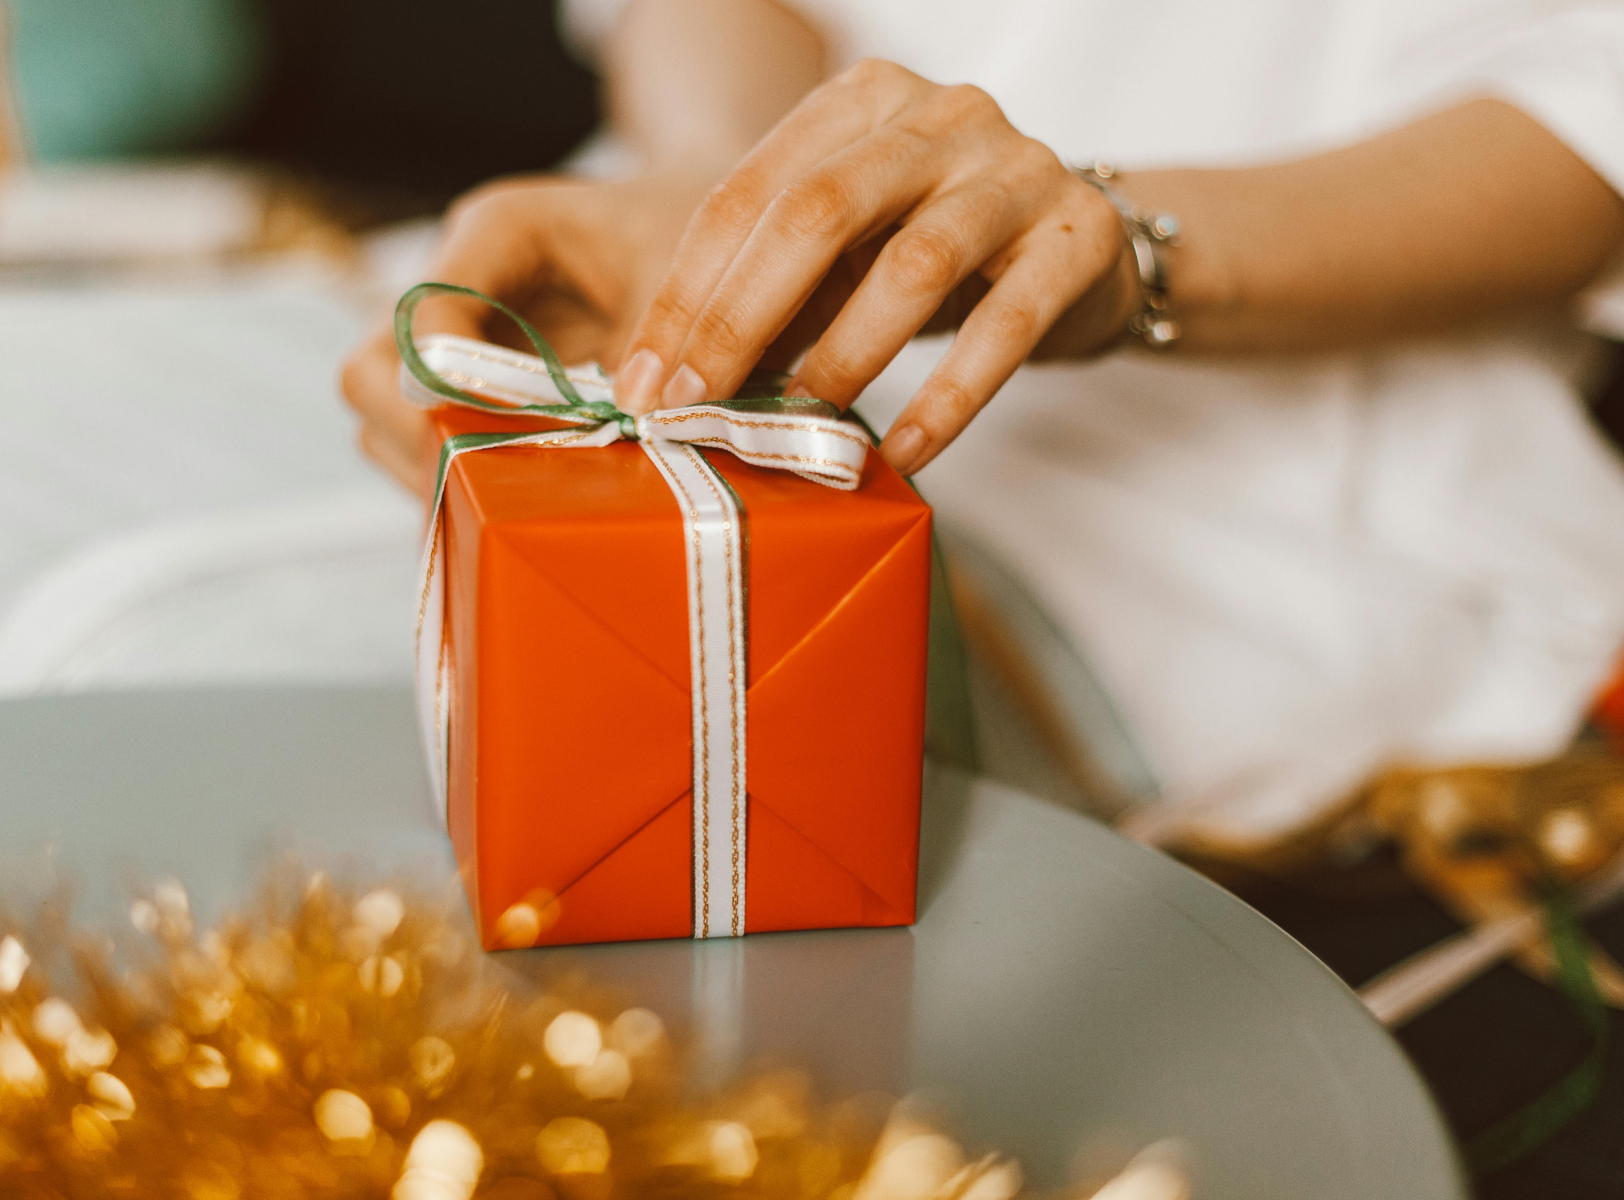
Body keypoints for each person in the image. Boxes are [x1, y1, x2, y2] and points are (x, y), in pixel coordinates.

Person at [340, 0, 1624, 855]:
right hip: (631, 298)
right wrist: (728, 184)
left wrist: (1109, 252)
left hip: (1217, 517)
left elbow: (1589, 125)